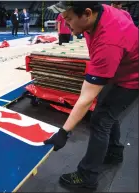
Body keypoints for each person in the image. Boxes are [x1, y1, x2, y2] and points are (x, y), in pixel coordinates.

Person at [47, 1, 138, 189]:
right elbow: (127, 18)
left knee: (101, 120)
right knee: (107, 111)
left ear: (87, 14)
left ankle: (87, 177)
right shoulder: (101, 13)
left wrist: (64, 132)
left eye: (69, 19)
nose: (66, 24)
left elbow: (86, 98)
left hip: (132, 78)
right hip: (120, 69)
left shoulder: (108, 42)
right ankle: (114, 152)